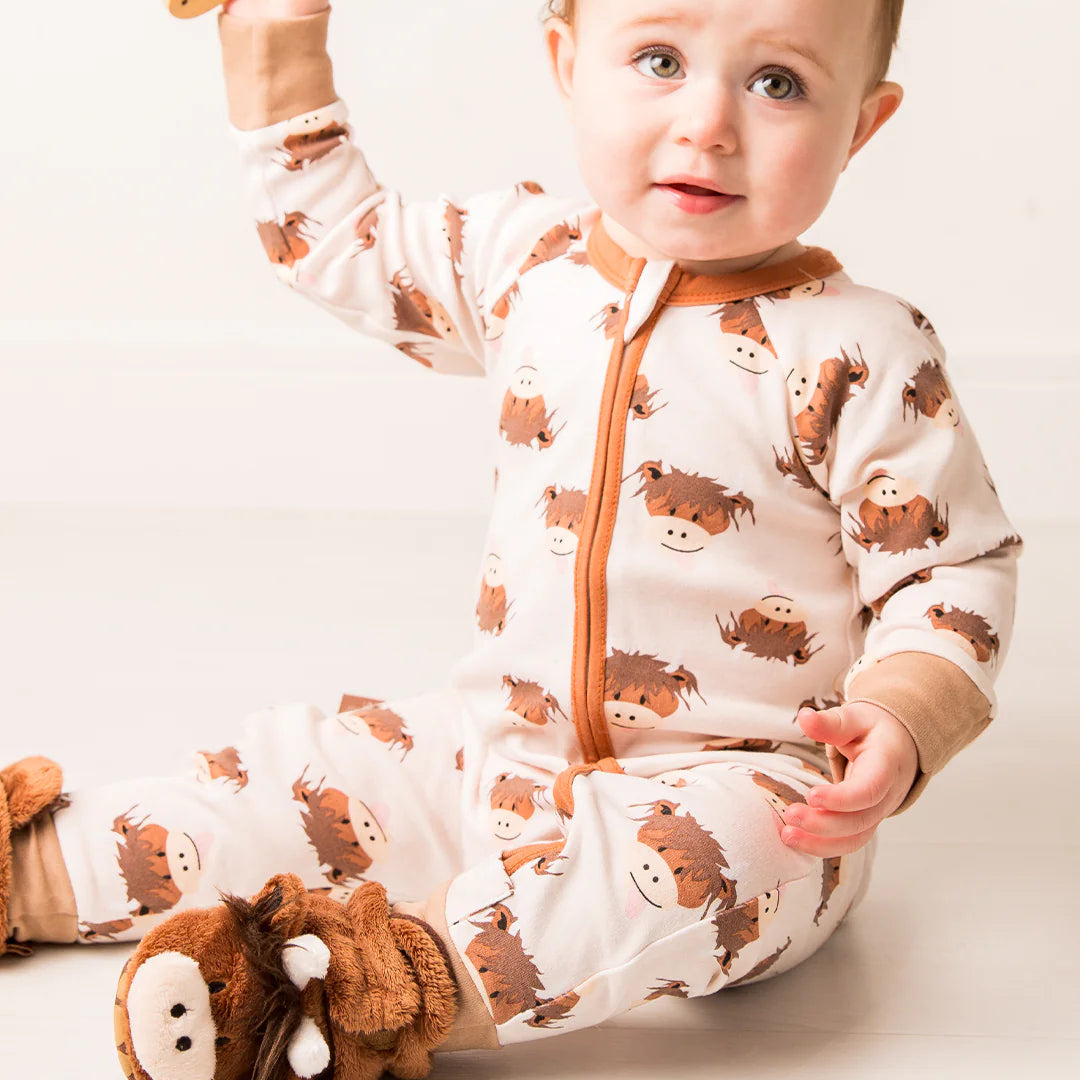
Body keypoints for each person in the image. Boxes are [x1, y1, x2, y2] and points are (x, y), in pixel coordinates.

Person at [1, 0, 1021, 1076]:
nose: (709, 123)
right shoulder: (526, 260)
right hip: (492, 750)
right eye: (661, 60)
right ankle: (37, 869)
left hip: (743, 785)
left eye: (779, 84)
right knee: (299, 767)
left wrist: (904, 715)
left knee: (734, 859)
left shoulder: (865, 348)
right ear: (566, 61)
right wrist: (276, 38)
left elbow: (950, 566)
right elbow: (342, 243)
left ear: (862, 124)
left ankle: (363, 991)